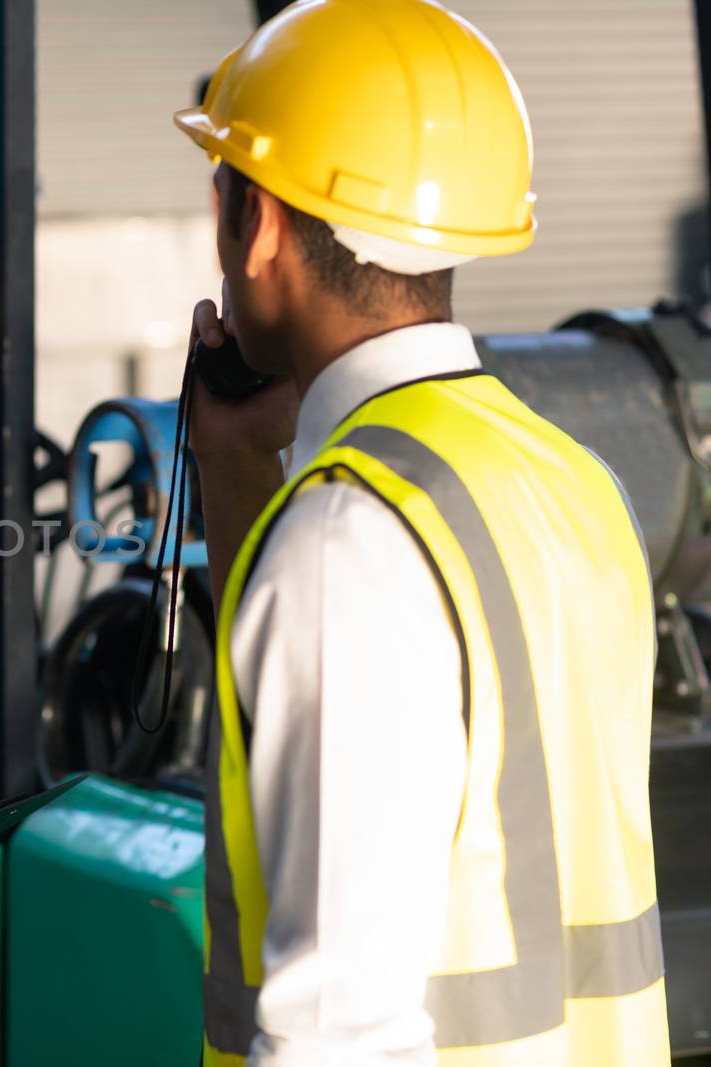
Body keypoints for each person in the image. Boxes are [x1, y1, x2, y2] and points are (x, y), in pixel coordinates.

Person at [171, 1, 669, 1064]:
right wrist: (232, 462)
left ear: (253, 223)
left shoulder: (347, 537)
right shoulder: (574, 481)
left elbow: (336, 1033)